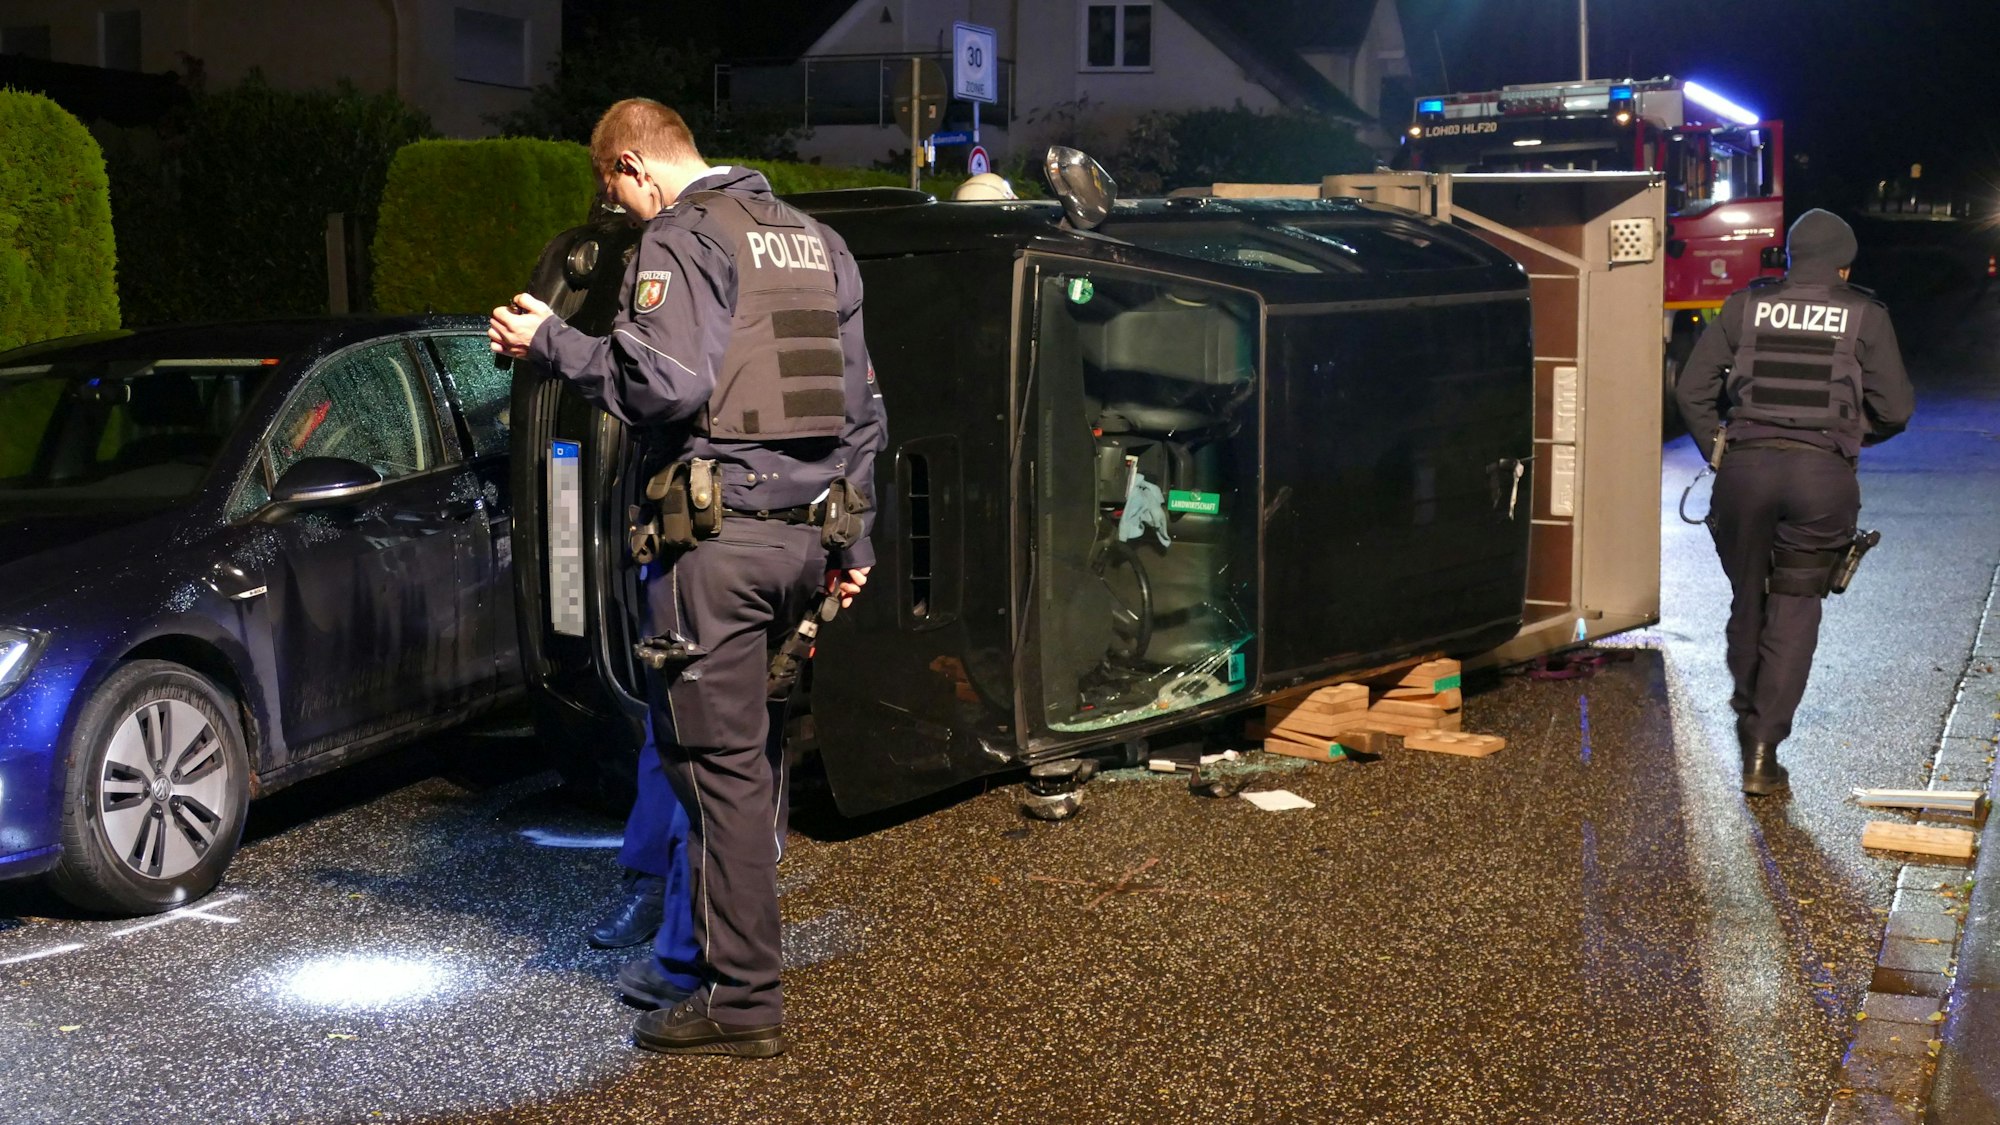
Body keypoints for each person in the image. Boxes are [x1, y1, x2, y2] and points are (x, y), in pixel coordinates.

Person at [489, 98, 886, 1057]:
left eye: (612, 193)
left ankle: (742, 998)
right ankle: (700, 961)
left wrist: (548, 342)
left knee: (719, 777)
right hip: (801, 545)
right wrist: (854, 547)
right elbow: (865, 411)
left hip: (718, 547)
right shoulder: (815, 240)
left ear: (632, 167)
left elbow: (661, 382)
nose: (618, 213)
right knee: (750, 762)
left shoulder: (681, 235)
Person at [1675, 208, 1914, 796]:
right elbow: (1897, 409)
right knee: (1795, 607)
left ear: (1787, 256)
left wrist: (1719, 451)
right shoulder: (1865, 313)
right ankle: (1762, 750)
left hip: (1746, 472)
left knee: (1747, 594)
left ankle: (1746, 698)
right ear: (1844, 264)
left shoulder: (1744, 305)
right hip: (1821, 478)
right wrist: (1847, 439)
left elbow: (1692, 389)